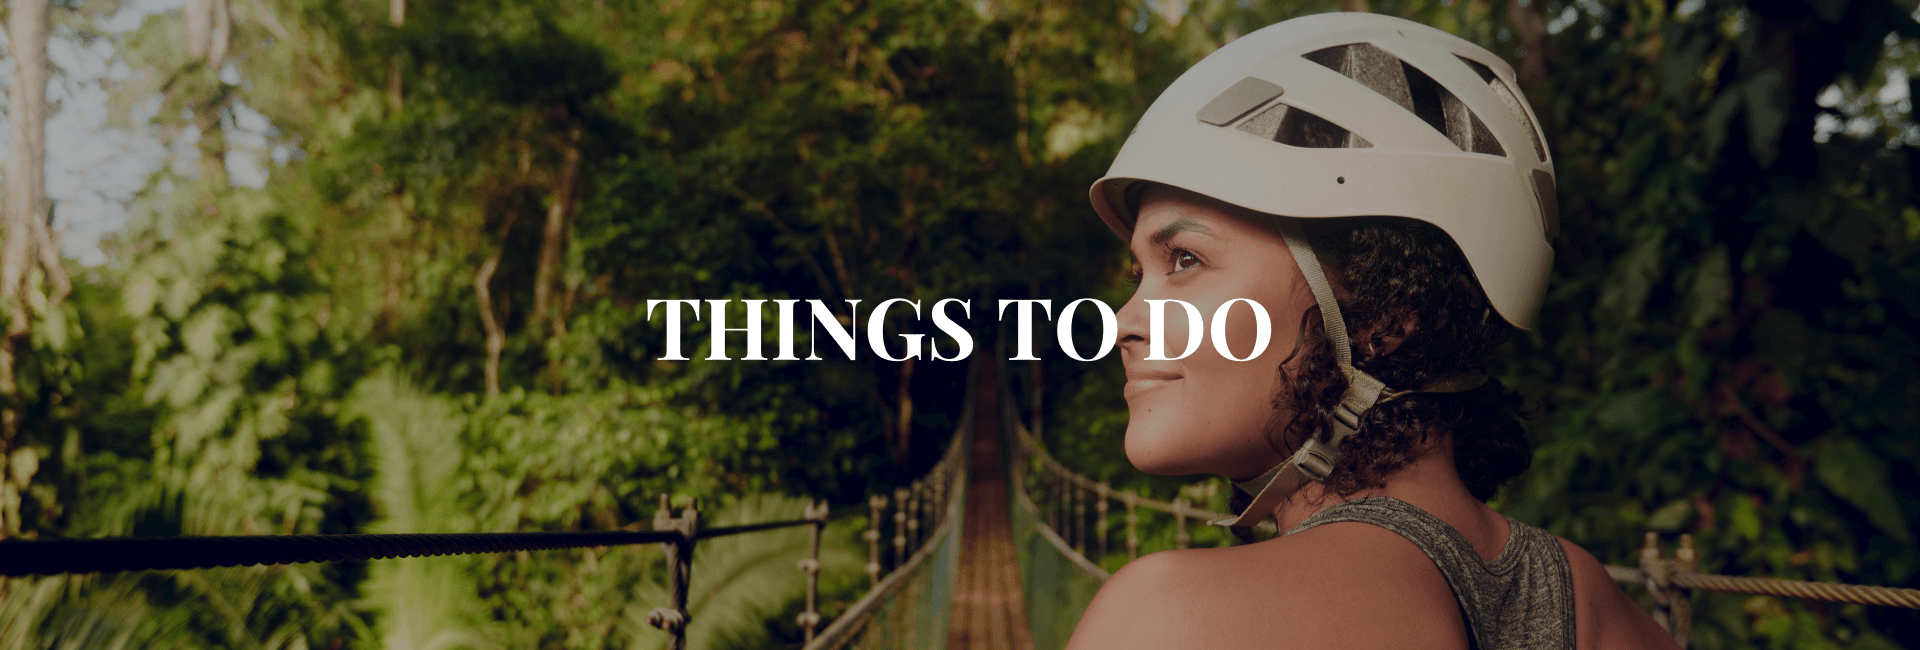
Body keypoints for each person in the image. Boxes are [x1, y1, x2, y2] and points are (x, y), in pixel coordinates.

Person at [1066, 12, 1680, 650]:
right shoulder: (1600, 611)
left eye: (1185, 260)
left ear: (1383, 311)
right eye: (1140, 274)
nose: (1123, 322)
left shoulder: (1167, 617)